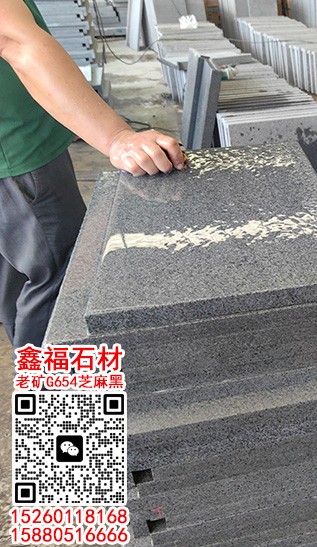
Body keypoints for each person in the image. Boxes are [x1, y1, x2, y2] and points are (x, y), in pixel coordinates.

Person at [0, 0, 184, 349]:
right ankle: (55, 381)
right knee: (60, 280)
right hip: (18, 157)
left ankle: (33, 371)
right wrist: (117, 138)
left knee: (18, 277)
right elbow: (16, 42)